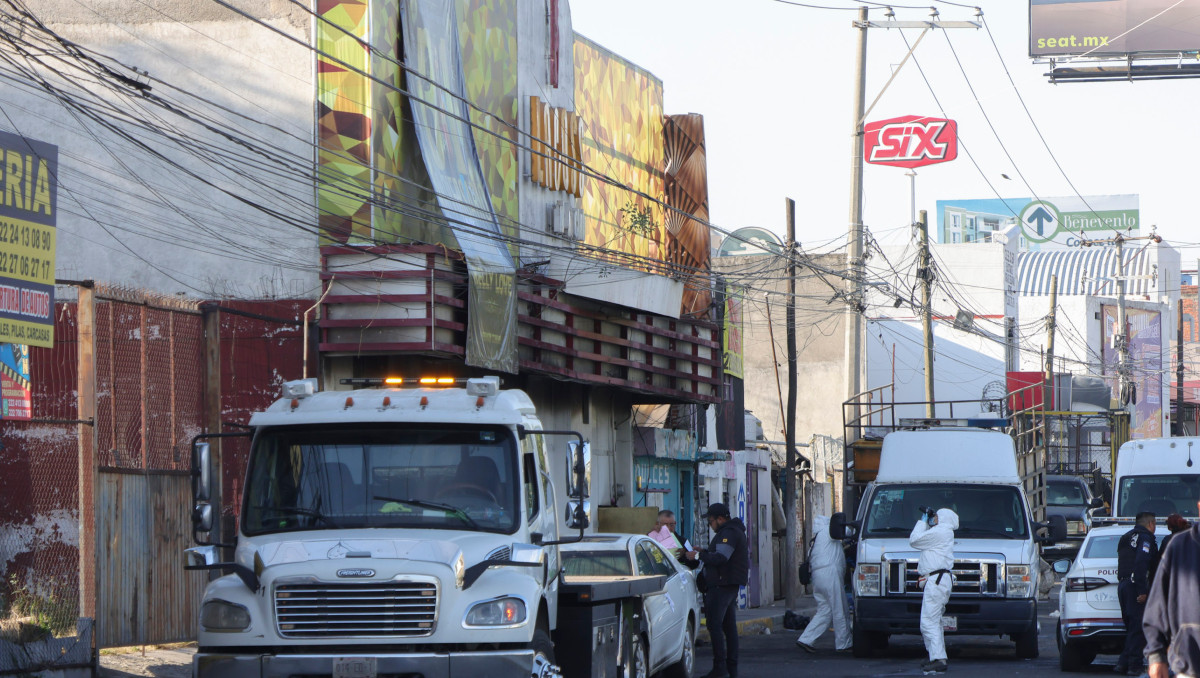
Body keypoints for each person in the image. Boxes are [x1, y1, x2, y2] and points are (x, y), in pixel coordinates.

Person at [685, 503, 749, 678]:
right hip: (726, 585)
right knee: (728, 627)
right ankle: (730, 668)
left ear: (720, 519)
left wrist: (698, 556)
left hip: (722, 586)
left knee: (715, 625)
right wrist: (704, 551)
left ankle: (720, 668)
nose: (710, 525)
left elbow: (721, 557)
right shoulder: (730, 531)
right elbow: (718, 553)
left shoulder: (728, 533)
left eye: (711, 521)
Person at [1144, 500, 1200, 678]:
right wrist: (1156, 656)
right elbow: (1157, 607)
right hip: (1189, 667)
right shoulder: (1179, 547)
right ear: (1199, 507)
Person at [909, 506, 959, 675]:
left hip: (936, 582)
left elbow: (914, 540)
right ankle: (935, 657)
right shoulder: (943, 532)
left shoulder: (941, 532)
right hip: (939, 581)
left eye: (936, 516)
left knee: (928, 622)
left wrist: (922, 521)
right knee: (934, 621)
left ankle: (937, 659)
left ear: (943, 519)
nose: (934, 518)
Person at [795, 514, 851, 653]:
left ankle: (806, 639)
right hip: (830, 574)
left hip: (817, 577)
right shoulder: (829, 531)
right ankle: (843, 644)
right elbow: (849, 532)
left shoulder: (816, 539)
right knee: (840, 609)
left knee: (824, 610)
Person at [1115, 511, 1158, 676]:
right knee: (1138, 628)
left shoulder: (1125, 537)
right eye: (1154, 524)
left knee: (1132, 627)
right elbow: (1141, 562)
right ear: (1150, 524)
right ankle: (1134, 665)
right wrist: (1142, 590)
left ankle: (1123, 663)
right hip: (1134, 586)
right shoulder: (1145, 538)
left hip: (1123, 585)